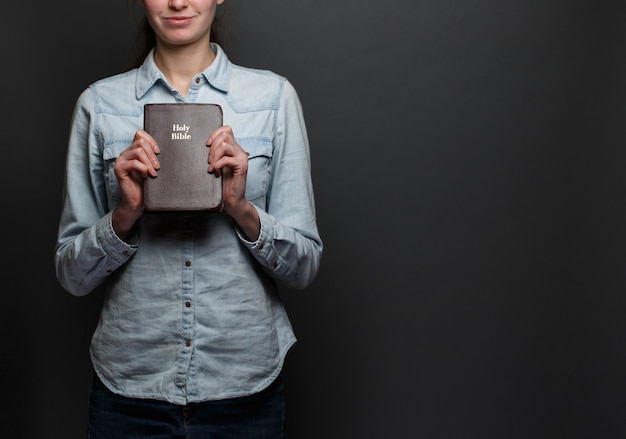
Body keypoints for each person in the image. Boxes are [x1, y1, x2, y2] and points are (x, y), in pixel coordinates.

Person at [54, 0, 322, 437]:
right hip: (130, 390)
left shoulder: (272, 98)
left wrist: (240, 207)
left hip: (245, 386)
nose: (178, 2)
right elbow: (72, 274)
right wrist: (126, 214)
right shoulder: (99, 104)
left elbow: (304, 266)